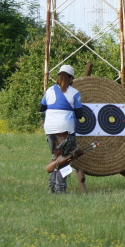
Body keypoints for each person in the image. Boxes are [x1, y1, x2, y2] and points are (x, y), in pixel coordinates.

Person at [40, 65, 83, 193]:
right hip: (65, 129)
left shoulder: (49, 91)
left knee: (55, 157)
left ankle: (52, 187)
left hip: (50, 128)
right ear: (70, 78)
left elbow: (41, 108)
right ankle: (61, 189)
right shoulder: (74, 93)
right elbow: (80, 115)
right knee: (65, 159)